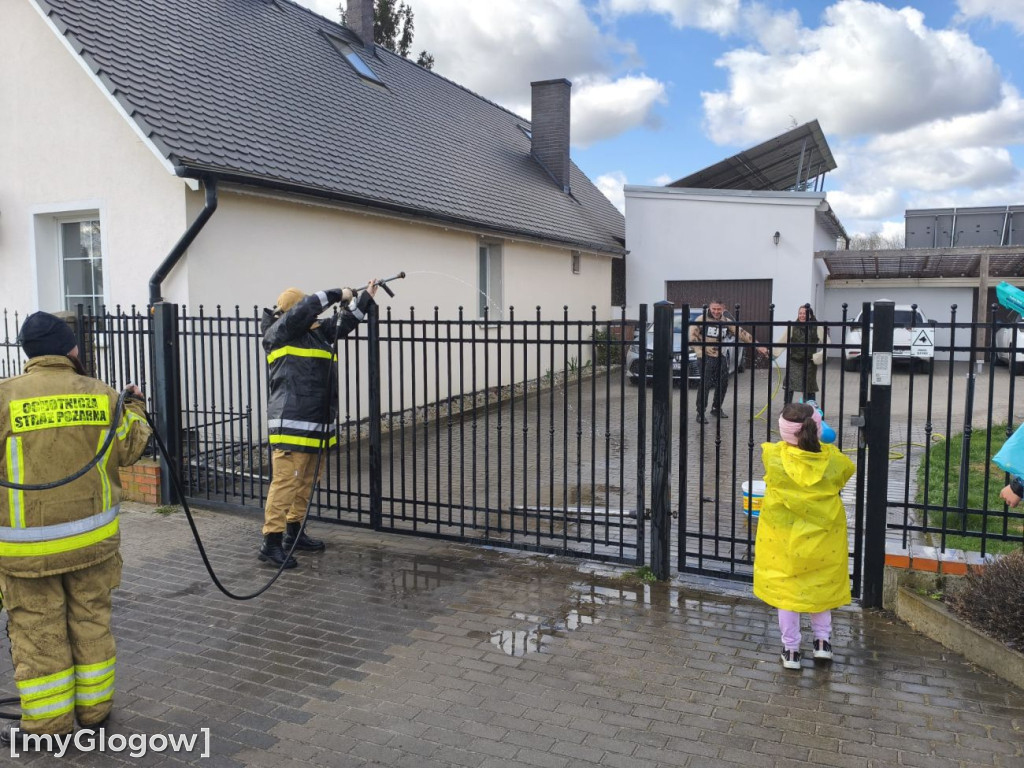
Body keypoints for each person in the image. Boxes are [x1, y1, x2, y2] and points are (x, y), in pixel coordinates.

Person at [0, 312, 151, 744]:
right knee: (92, 623)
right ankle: (95, 712)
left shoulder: (4, 398)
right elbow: (132, 446)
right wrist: (134, 405)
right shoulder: (102, 395)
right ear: (71, 350)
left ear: (27, 353)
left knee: (37, 632)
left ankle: (49, 727)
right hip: (93, 546)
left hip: (27, 554)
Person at [259, 282, 378, 568]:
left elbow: (345, 323)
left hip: (316, 422)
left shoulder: (316, 335)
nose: (314, 317)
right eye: (307, 312)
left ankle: (294, 533)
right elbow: (308, 307)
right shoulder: (280, 333)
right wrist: (338, 293)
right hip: (292, 424)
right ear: (293, 313)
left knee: (307, 482)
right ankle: (271, 542)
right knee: (286, 482)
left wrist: (364, 299)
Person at [753, 402, 854, 670]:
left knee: (788, 593)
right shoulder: (833, 459)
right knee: (819, 587)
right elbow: (845, 473)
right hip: (823, 538)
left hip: (784, 539)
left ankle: (792, 650)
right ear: (817, 428)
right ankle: (822, 643)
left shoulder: (773, 457)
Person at [689, 300, 768, 423]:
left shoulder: (726, 322)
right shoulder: (701, 320)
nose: (716, 311)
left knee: (723, 382)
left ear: (723, 309)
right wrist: (700, 354)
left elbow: (742, 334)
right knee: (705, 385)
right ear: (709, 307)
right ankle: (700, 413)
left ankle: (716, 408)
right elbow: (692, 338)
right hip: (705, 356)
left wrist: (758, 346)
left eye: (718, 309)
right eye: (714, 309)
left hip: (719, 356)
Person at [774, 304, 829, 405]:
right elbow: (782, 341)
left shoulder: (817, 327)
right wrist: (773, 354)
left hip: (809, 363)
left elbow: (827, 343)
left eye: (805, 313)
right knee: (790, 386)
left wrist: (818, 356)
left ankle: (810, 410)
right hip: (794, 362)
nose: (802, 315)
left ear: (810, 315)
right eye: (800, 313)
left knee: (809, 388)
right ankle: (787, 409)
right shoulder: (793, 327)